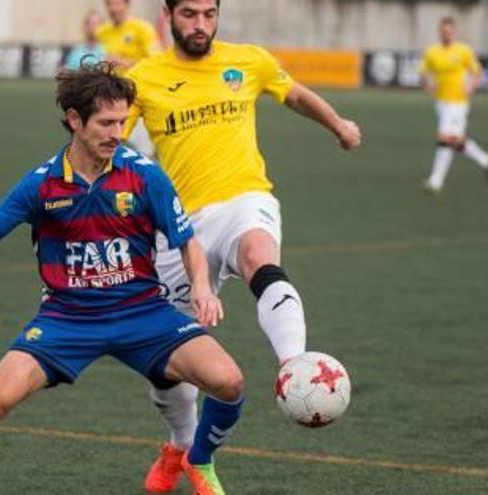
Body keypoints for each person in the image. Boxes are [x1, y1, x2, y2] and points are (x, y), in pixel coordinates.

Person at [0, 63, 244, 495]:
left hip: (143, 312)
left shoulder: (144, 174)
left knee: (229, 381)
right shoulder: (42, 184)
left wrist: (200, 286)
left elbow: (188, 241)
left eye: (123, 122)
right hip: (66, 319)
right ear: (74, 119)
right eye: (106, 123)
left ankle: (197, 458)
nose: (117, 132)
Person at [121, 1, 361, 493]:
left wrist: (337, 124)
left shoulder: (247, 60)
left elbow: (292, 94)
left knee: (258, 254)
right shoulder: (144, 78)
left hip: (245, 198)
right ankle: (180, 445)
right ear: (169, 17)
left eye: (210, 13)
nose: (201, 24)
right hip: (180, 227)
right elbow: (107, 142)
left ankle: (294, 367)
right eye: (190, 14)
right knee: (166, 357)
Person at [420, 16, 488, 194]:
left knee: (444, 138)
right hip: (441, 102)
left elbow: (477, 71)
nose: (446, 33)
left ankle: (436, 181)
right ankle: (484, 159)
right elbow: (423, 73)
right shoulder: (432, 52)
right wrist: (429, 86)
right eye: (443, 30)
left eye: (449, 30)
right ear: (440, 32)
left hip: (459, 103)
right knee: (455, 140)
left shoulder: (463, 51)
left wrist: (471, 86)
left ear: (453, 32)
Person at [97, 0, 161, 157]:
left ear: (127, 5)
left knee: (143, 149)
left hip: (137, 97)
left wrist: (125, 62)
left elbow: (157, 61)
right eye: (109, 4)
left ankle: (148, 179)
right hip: (112, 97)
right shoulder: (103, 32)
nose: (113, 8)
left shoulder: (142, 29)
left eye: (117, 3)